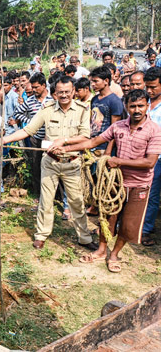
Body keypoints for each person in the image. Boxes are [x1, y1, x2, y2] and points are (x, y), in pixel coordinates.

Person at [60, 89, 161, 272]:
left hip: (139, 185)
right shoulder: (118, 126)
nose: (137, 110)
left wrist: (119, 161)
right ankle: (101, 251)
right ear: (126, 106)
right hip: (116, 183)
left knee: (129, 224)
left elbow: (150, 162)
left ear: (147, 106)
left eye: (140, 106)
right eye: (133, 106)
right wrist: (65, 148)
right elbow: (92, 142)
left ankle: (114, 254)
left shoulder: (154, 130)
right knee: (107, 218)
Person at [0, 76, 95, 250]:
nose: (64, 95)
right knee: (46, 201)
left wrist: (63, 141)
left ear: (73, 91)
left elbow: (85, 136)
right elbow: (28, 130)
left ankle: (84, 238)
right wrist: (4, 140)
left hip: (72, 163)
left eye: (67, 92)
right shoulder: (47, 109)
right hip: (50, 163)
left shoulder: (82, 109)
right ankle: (41, 235)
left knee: (77, 202)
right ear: (54, 93)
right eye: (60, 92)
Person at [15, 72, 53, 195]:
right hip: (36, 138)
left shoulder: (52, 100)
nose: (34, 90)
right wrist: (31, 122)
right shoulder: (30, 101)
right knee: (36, 165)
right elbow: (18, 113)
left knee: (51, 165)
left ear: (43, 85)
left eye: (36, 87)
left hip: (51, 139)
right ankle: (38, 192)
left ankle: (53, 192)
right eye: (33, 87)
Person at [142, 67, 161, 245]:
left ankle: (146, 228)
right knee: (146, 193)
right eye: (147, 87)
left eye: (153, 87)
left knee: (153, 196)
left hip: (158, 157)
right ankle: (144, 228)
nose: (149, 91)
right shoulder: (142, 102)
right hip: (144, 156)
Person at [89, 66, 124, 154]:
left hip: (104, 146)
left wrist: (108, 150)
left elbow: (115, 129)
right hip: (93, 144)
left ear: (106, 81)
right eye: (92, 81)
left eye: (96, 81)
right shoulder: (95, 99)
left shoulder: (114, 101)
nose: (93, 84)